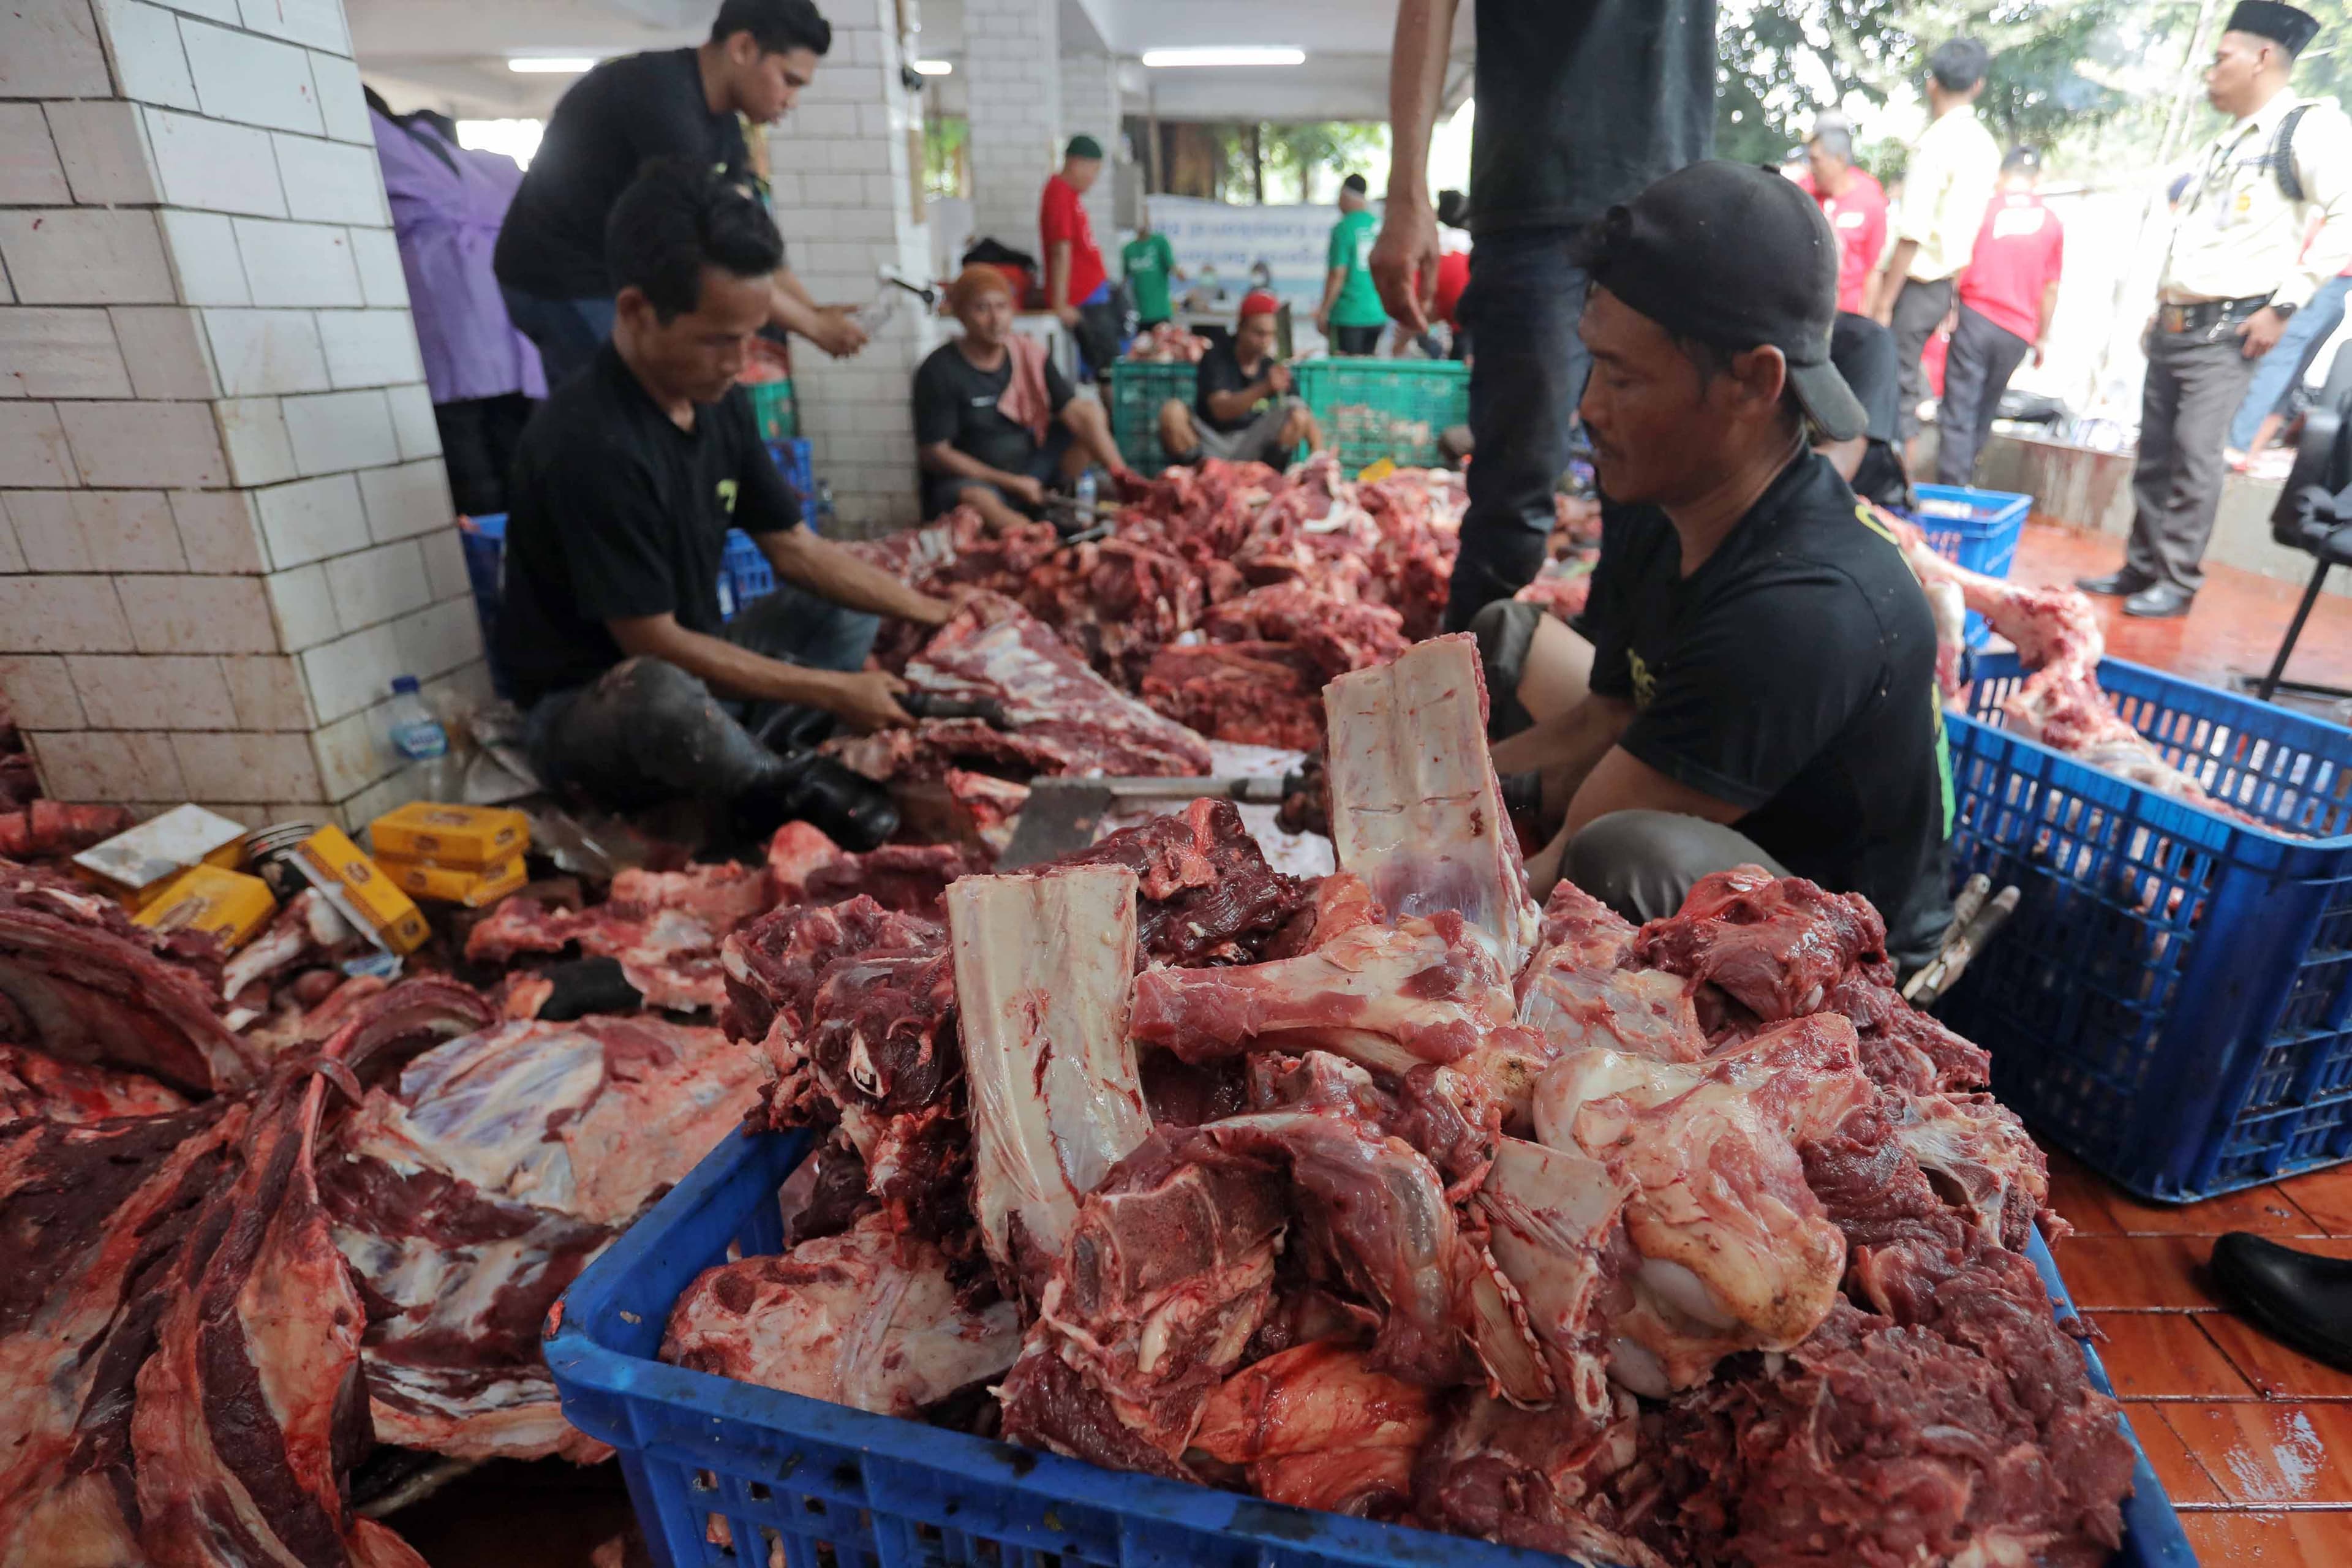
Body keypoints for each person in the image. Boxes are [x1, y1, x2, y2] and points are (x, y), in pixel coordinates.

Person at [1470, 162, 1954, 970]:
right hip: (1718, 821)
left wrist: (1409, 904)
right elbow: (1607, 720)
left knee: (1616, 855)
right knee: (1504, 637)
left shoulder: (1804, 605)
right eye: (1595, 363)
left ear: (1753, 382)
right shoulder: (1657, 496)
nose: (1588, 407)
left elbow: (1568, 854)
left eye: (1624, 377)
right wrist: (1420, 795)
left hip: (1843, 943)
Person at [498, 163, 944, 851]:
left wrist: (934, 609)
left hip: (696, 659)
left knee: (849, 592)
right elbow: (655, 644)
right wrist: (832, 691)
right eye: (717, 339)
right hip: (595, 706)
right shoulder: (589, 443)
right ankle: (764, 788)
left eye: (752, 335)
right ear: (637, 312)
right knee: (662, 698)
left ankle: (741, 757)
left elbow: (795, 548)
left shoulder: (718, 401)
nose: (741, 362)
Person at [1371, 0, 1719, 633]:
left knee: (1657, 502)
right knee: (1514, 500)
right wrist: (1406, 192)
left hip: (1672, 202)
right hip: (1538, 199)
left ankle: (1622, 711)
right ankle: (1452, 716)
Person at [2081, 1, 2352, 617]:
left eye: (2221, 57)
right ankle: (2141, 566)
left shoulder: (2306, 129)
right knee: (2155, 455)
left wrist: (2285, 306)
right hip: (2179, 322)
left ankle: (2175, 580)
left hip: (2234, 328)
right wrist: (2163, 302)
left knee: (2194, 456)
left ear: (2263, 57)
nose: (2210, 70)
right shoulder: (2224, 144)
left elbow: (2347, 211)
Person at [493, 0, 865, 388]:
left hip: (604, 274)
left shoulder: (722, 126)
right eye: (789, 80)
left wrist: (815, 311)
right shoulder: (660, 100)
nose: (792, 101)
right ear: (743, 49)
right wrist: (813, 327)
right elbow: (720, 250)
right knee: (628, 404)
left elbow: (749, 237)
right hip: (556, 278)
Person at [368, 93, 546, 518]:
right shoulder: (487, 169)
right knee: (514, 459)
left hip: (456, 335)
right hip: (503, 333)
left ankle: (494, 565)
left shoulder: (390, 151)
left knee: (477, 470)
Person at [914, 265, 1133, 530]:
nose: (996, 319)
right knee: (975, 499)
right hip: (977, 480)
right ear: (960, 315)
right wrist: (1011, 483)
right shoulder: (940, 370)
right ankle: (1031, 539)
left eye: (1002, 307)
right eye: (982, 309)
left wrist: (1121, 476)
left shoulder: (1028, 354)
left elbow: (1074, 412)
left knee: (1089, 414)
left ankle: (1127, 489)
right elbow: (935, 454)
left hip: (1030, 469)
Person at [1868, 38, 2001, 452]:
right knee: (1905, 380)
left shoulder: (1937, 143)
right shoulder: (1985, 146)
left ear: (1932, 85)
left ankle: (1896, 492)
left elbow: (1913, 230)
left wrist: (1885, 302)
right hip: (1943, 285)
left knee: (1896, 384)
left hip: (1915, 283)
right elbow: (1969, 228)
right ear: (1977, 85)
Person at [1936, 146, 2066, 487]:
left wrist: (1948, 309)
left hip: (1976, 317)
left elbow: (1958, 262)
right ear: (2036, 180)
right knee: (1985, 408)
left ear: (2001, 176)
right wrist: (2041, 337)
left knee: (1960, 408)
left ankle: (1952, 493)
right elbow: (2051, 288)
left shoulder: (1985, 209)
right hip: (2017, 332)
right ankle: (1965, 481)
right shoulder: (2051, 223)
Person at [1158, 291, 1324, 467]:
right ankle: (1198, 482)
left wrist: (1319, 456)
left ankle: (1266, 481)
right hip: (1211, 446)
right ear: (1241, 327)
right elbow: (1220, 410)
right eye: (1259, 333)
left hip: (1251, 450)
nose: (1265, 341)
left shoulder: (1272, 366)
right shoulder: (1218, 357)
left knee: (1297, 416)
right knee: (1172, 411)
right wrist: (1264, 388)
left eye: (1270, 335)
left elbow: (1302, 413)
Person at [2233, 248, 2352, 466]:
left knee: (2273, 363)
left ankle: (2237, 448)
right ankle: (2249, 451)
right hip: (2333, 280)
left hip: (2321, 275)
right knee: (2286, 371)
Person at [1042, 136, 1117, 378]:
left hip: (1092, 294)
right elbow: (1060, 249)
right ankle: (1113, 417)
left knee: (1109, 364)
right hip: (1083, 298)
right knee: (1108, 370)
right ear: (1076, 163)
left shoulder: (1069, 195)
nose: (1093, 180)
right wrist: (1060, 303)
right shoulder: (1058, 193)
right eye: (1093, 171)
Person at [1800, 124, 1890, 317]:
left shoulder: (1871, 203)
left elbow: (1874, 268)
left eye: (1816, 161)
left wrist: (1867, 319)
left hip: (1847, 313)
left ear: (1840, 159)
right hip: (1807, 310)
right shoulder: (1805, 196)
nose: (1812, 169)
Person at [1318, 174, 1387, 355]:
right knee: (1367, 373)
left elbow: (1337, 275)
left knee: (1344, 376)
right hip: (1377, 314)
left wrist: (1324, 311)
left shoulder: (1343, 228)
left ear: (1346, 196)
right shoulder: (1378, 226)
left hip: (1348, 316)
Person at [1121, 217, 1181, 331]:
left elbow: (1172, 266)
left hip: (1161, 312)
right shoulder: (1128, 249)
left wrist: (1179, 273)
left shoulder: (1160, 243)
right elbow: (1123, 278)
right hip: (1140, 313)